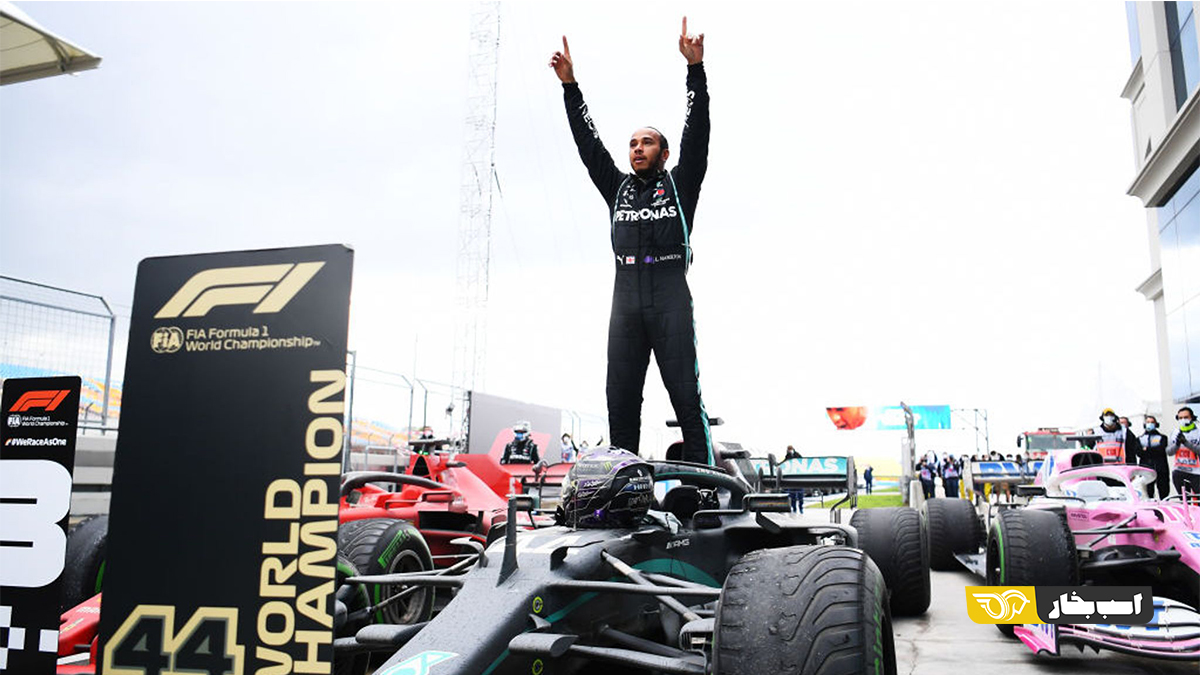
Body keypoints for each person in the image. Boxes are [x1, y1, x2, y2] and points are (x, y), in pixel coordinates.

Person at [550, 18, 714, 465]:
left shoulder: (680, 184)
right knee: (620, 404)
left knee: (686, 398)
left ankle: (701, 488)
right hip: (624, 304)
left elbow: (697, 133)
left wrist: (695, 70)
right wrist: (570, 87)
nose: (638, 148)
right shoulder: (616, 187)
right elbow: (588, 145)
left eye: (648, 143)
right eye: (633, 144)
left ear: (664, 153)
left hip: (670, 298)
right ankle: (625, 489)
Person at [1167, 406, 1200, 497]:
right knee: (1184, 500)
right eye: (1180, 418)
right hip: (1179, 471)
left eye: (1186, 417)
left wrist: (1186, 443)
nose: (1183, 420)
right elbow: (1169, 452)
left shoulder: (1198, 432)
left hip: (1196, 472)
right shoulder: (1175, 432)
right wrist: (1177, 444)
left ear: (1192, 418)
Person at [1138, 415, 1170, 499]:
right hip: (1146, 469)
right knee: (1148, 493)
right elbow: (1139, 452)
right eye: (1148, 422)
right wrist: (1153, 450)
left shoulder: (1162, 437)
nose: (1150, 424)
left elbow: (1161, 450)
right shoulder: (1140, 439)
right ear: (1144, 424)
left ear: (1156, 424)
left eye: (1152, 422)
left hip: (1161, 469)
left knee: (1164, 492)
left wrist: (1146, 449)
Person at [782, 445, 803, 513]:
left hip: (798, 477)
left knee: (800, 495)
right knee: (792, 495)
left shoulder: (797, 455)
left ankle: (800, 507)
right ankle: (794, 508)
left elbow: (801, 461)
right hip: (791, 478)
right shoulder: (787, 456)